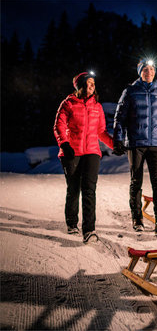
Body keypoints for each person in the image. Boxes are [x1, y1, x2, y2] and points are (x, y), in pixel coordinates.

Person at [113, 58, 157, 236]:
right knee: (136, 181)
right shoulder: (130, 92)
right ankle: (137, 219)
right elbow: (120, 116)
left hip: (156, 143)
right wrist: (118, 139)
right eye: (145, 69)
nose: (149, 72)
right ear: (140, 72)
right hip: (136, 144)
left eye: (152, 69)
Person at [54, 71, 113, 243]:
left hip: (92, 151)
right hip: (72, 151)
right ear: (80, 86)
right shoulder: (68, 104)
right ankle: (72, 223)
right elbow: (59, 124)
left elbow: (101, 131)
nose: (91, 86)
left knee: (89, 190)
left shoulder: (98, 106)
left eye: (93, 83)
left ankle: (89, 230)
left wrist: (113, 144)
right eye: (88, 83)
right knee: (73, 189)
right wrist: (64, 144)